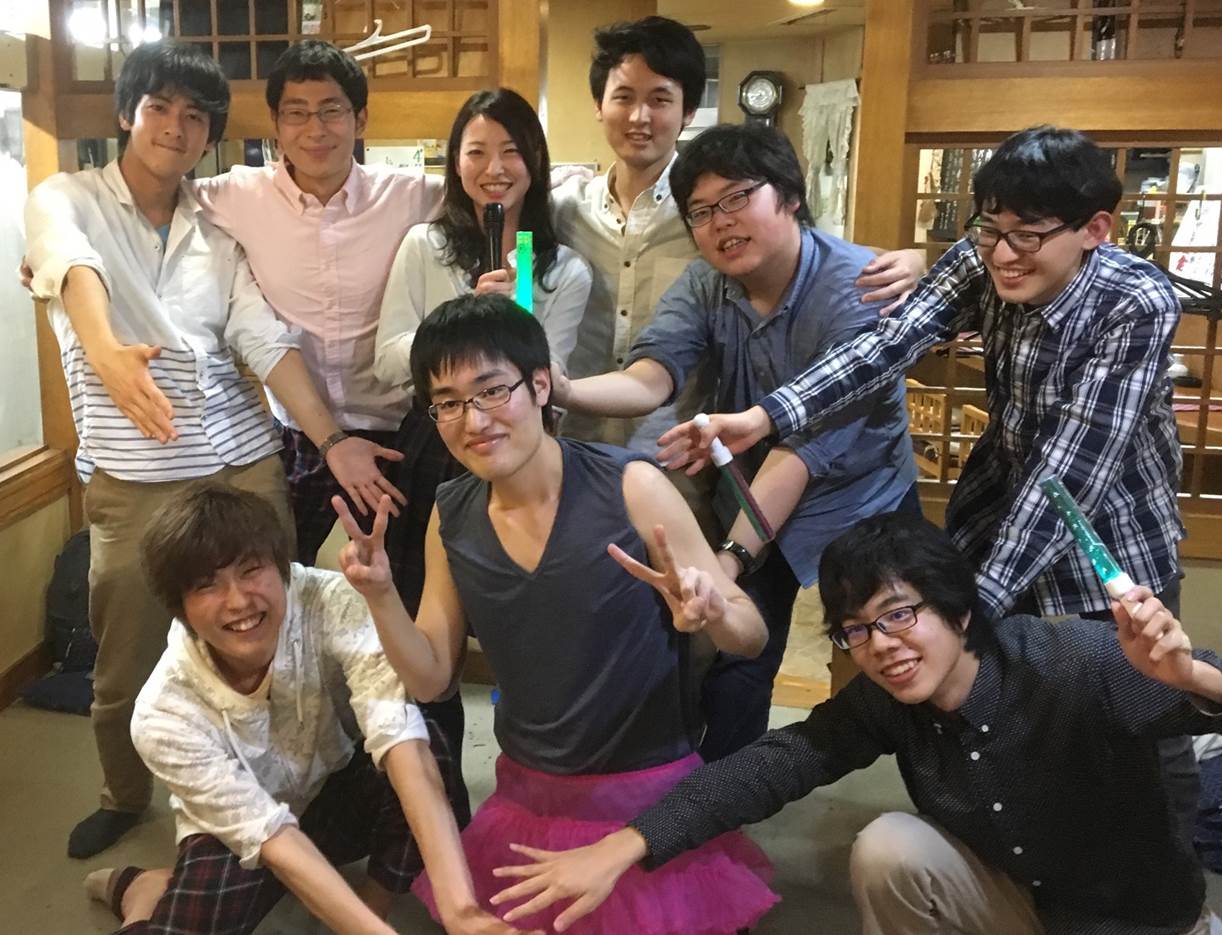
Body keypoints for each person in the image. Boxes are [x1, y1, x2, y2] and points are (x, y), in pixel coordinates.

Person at [657, 125, 1198, 825]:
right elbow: (885, 345)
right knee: (999, 706)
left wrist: (974, 608)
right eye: (989, 229)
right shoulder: (982, 258)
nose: (1002, 254)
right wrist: (764, 417)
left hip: (1114, 533)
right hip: (1001, 508)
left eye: (1027, 236)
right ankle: (1006, 855)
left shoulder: (1135, 301)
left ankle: (1173, 871)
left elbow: (1071, 469)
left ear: (1095, 229)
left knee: (1145, 709)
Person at [491, 512, 1222, 935]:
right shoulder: (888, 700)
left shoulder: (1073, 662)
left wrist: (1189, 675)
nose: (881, 644)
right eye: (856, 629)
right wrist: (626, 843)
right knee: (890, 846)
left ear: (958, 609)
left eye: (898, 614)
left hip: (1142, 923)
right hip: (1023, 909)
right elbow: (773, 763)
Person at [23, 40, 396, 859]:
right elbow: (66, 263)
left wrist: (333, 439)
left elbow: (263, 340)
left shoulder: (215, 226)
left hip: (240, 464)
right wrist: (107, 353)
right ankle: (124, 794)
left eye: (196, 116)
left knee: (274, 635)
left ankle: (287, 786)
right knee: (124, 656)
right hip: (134, 478)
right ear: (127, 113)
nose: (176, 126)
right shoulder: (68, 197)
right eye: (159, 107)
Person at [337, 293, 777, 934]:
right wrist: (380, 595)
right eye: (448, 403)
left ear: (540, 384)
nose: (473, 420)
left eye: (492, 391)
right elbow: (432, 680)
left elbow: (751, 635)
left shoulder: (631, 485)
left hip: (649, 800)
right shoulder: (450, 515)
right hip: (527, 803)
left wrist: (712, 612)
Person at [555, 123, 919, 760]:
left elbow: (805, 451)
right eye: (700, 211)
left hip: (862, 501)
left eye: (737, 198)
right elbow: (652, 376)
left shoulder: (860, 286)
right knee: (738, 662)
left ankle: (939, 793)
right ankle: (724, 800)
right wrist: (562, 389)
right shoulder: (706, 284)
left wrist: (725, 567)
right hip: (757, 493)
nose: (719, 222)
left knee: (900, 648)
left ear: (791, 196)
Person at [84, 483, 530, 935]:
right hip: (238, 828)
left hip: (334, 789)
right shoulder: (163, 714)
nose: (238, 601)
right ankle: (140, 892)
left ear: (281, 567)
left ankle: (372, 907)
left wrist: (462, 912)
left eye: (251, 570)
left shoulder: (331, 600)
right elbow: (271, 837)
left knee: (427, 744)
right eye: (206, 585)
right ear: (179, 607)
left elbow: (398, 736)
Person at [551, 15, 922, 536]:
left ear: (686, 111)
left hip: (716, 469)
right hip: (590, 449)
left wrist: (914, 260)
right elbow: (650, 367)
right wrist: (554, 386)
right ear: (598, 104)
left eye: (660, 99)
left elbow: (824, 256)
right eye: (623, 97)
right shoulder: (562, 210)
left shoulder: (724, 222)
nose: (639, 116)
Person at [192, 38, 443, 566]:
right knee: (285, 571)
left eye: (331, 111)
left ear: (360, 119)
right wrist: (49, 260)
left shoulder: (412, 195)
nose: (315, 130)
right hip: (299, 434)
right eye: (297, 113)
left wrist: (528, 261)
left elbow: (508, 191)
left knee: (405, 577)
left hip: (400, 428)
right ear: (276, 124)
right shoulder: (238, 195)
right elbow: (147, 202)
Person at [373, 85, 591, 616]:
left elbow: (552, 379)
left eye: (511, 151)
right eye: (476, 152)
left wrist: (515, 325)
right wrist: (461, 322)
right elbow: (385, 361)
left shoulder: (564, 269)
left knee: (518, 604)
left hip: (522, 441)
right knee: (424, 596)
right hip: (438, 432)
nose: (494, 168)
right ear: (456, 163)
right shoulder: (425, 245)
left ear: (535, 160)